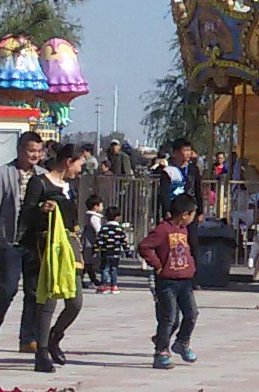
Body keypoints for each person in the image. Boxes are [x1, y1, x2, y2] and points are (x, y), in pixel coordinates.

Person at [20, 142, 87, 372]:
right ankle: (41, 352)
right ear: (68, 162)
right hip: (45, 247)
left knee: (75, 301)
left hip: (68, 248)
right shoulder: (39, 183)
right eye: (79, 165)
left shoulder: (71, 188)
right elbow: (26, 214)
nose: (80, 171)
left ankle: (54, 336)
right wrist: (41, 209)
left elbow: (73, 220)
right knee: (48, 300)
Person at [0, 130, 45, 353]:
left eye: (38, 151)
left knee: (33, 292)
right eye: (30, 151)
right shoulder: (2, 174)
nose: (34, 155)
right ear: (20, 150)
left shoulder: (43, 175)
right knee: (8, 288)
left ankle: (27, 338)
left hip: (33, 243)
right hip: (10, 241)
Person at [141, 201, 199, 369]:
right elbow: (144, 247)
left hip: (185, 280)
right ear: (184, 214)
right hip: (167, 281)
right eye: (193, 214)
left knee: (192, 314)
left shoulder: (183, 229)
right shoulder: (162, 230)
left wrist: (191, 267)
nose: (193, 218)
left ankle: (182, 342)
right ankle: (161, 352)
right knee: (169, 318)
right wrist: (158, 265)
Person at [156, 139, 205, 224]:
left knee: (191, 236)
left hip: (190, 210)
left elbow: (198, 189)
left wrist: (200, 211)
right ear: (175, 153)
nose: (188, 153)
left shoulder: (193, 169)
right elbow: (164, 193)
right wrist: (166, 210)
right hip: (175, 211)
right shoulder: (168, 171)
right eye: (185, 150)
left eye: (189, 150)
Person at [84, 197, 128, 294]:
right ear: (118, 217)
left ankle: (103, 286)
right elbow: (124, 241)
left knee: (105, 269)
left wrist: (95, 250)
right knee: (114, 269)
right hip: (116, 253)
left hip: (105, 252)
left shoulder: (104, 229)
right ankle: (114, 286)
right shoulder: (119, 229)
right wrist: (127, 251)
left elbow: (99, 240)